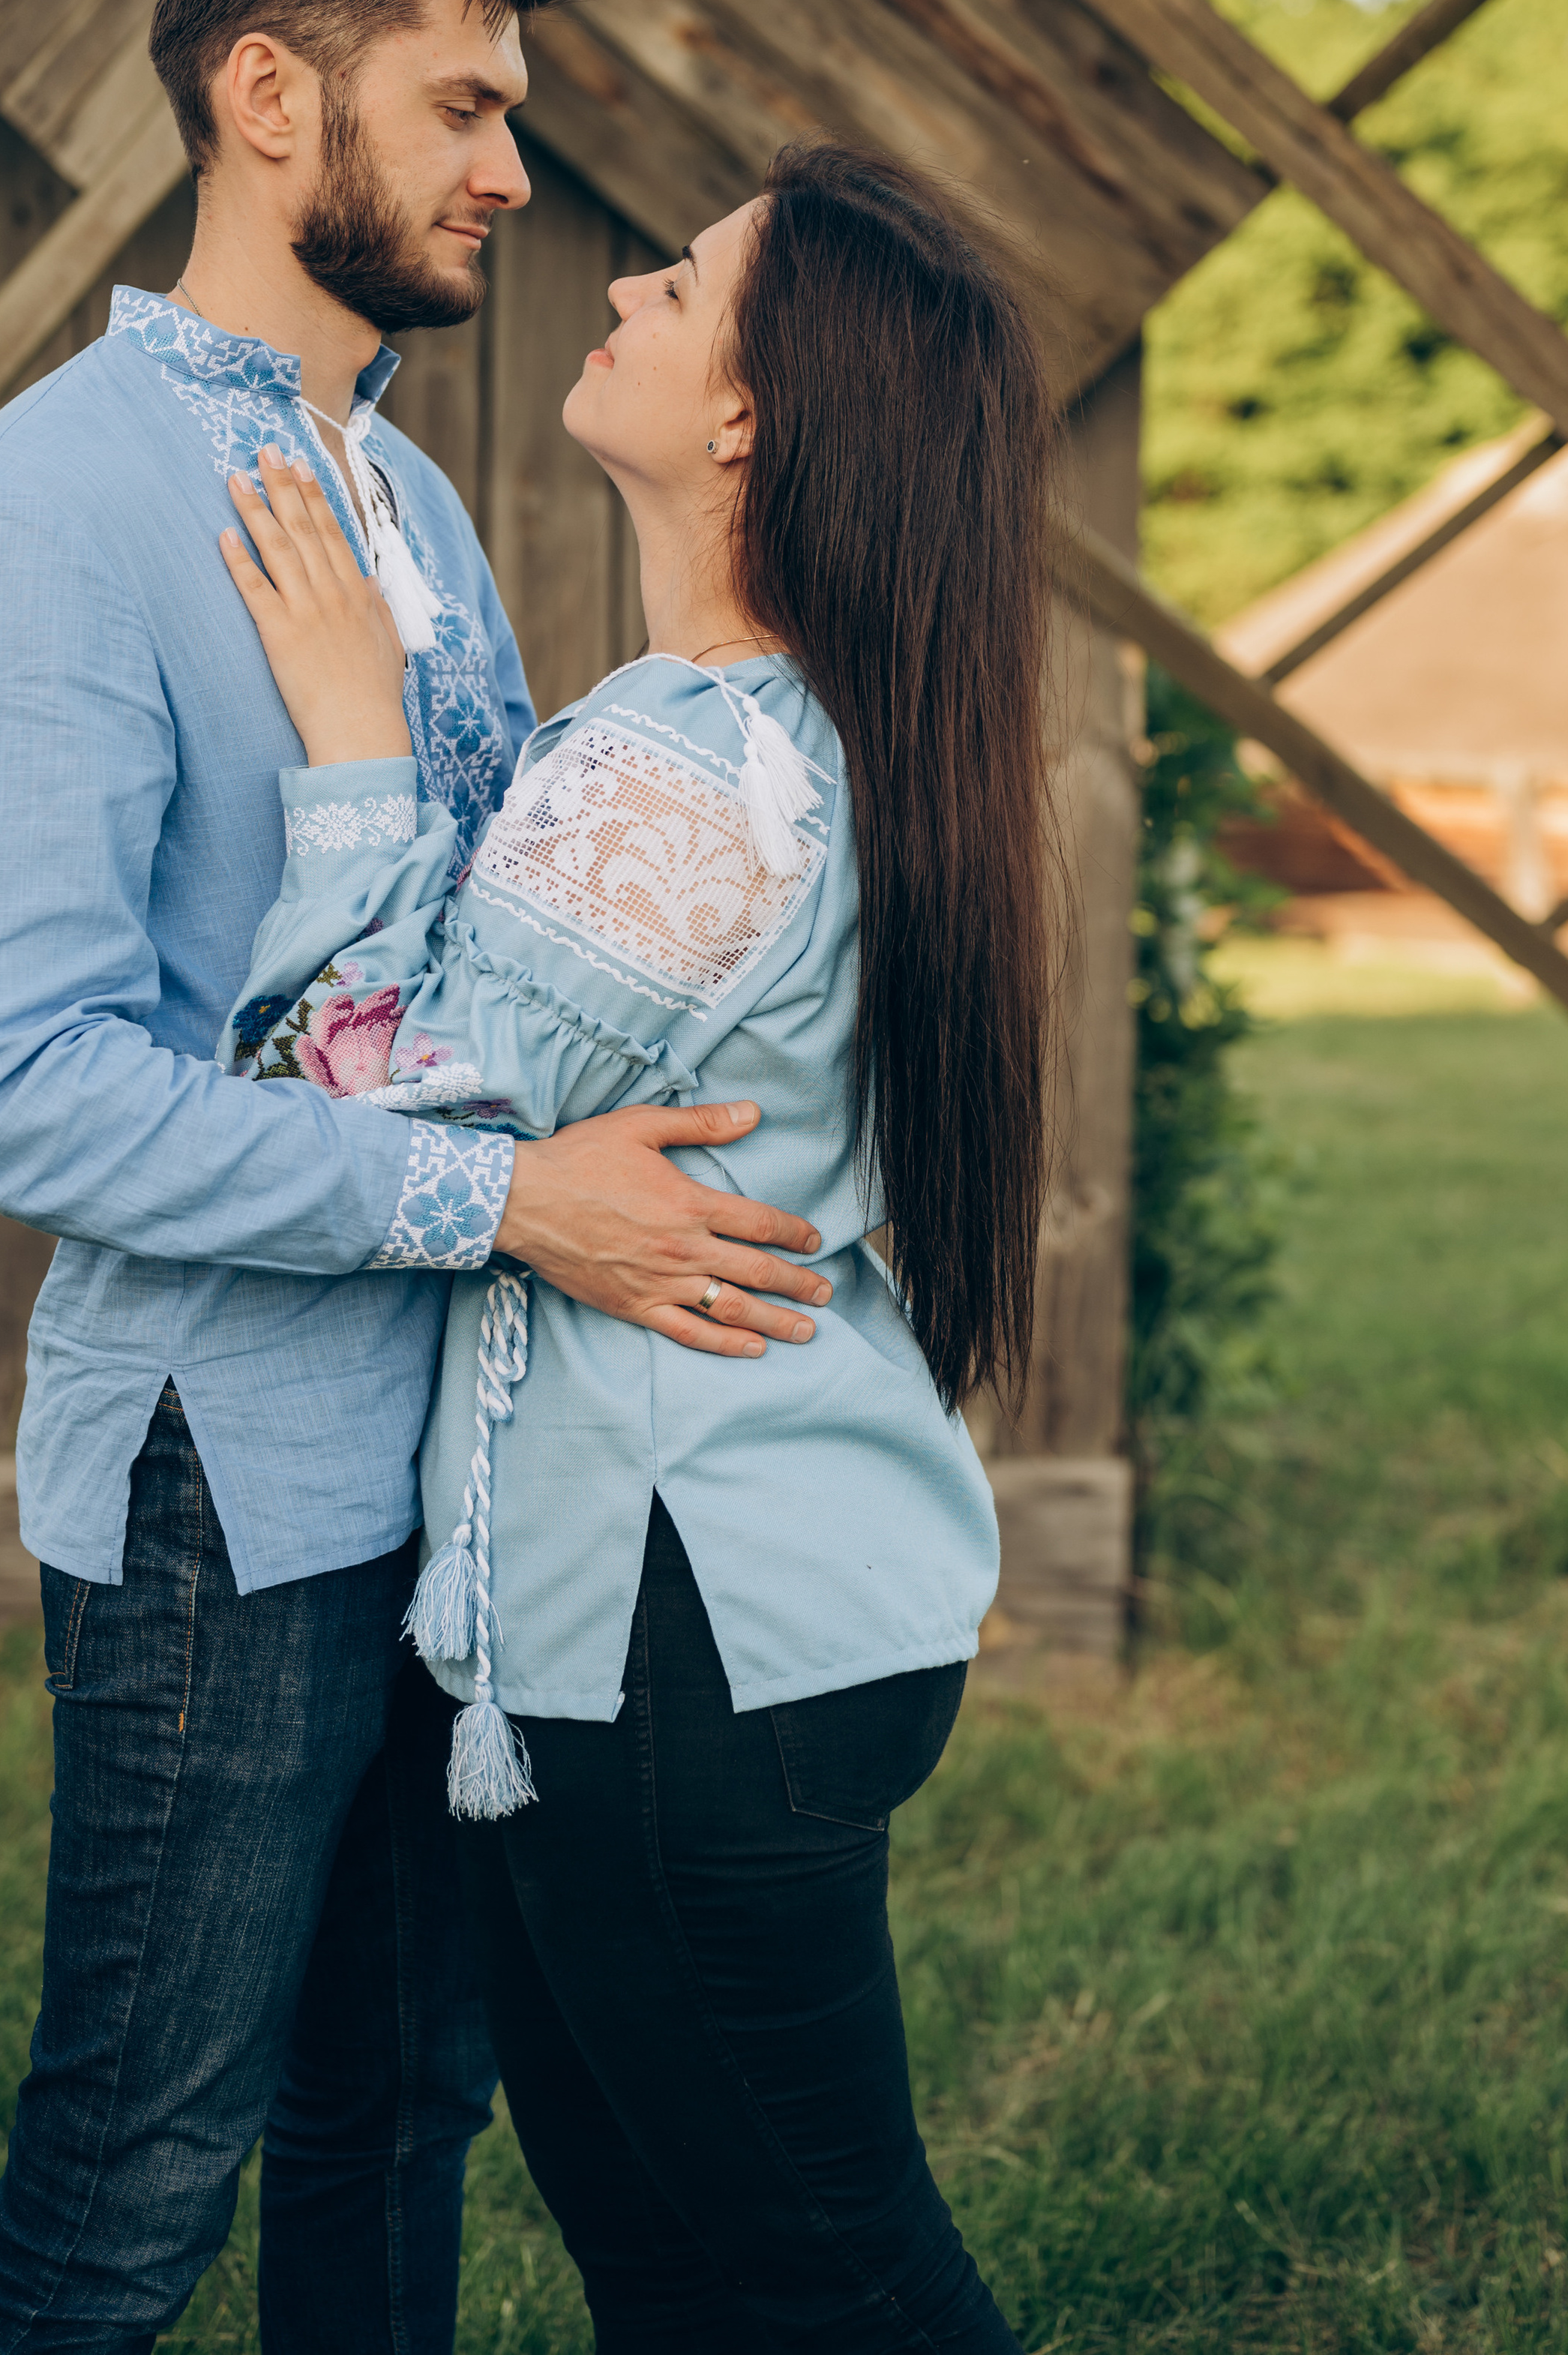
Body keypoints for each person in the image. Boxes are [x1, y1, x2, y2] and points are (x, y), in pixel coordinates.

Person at [0, 0, 830, 2355]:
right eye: (463, 105)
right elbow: (12, 1093)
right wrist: (499, 1201)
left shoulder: (412, 501)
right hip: (222, 1468)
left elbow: (457, 972)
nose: (513, 170)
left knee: (400, 2112)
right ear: (267, 92)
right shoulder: (61, 504)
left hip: (451, 1485)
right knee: (130, 2170)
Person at [211, 137, 1054, 2349]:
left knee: (819, 2269)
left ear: (755, 414)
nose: (622, 291)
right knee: (679, 2268)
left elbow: (370, 1095)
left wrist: (354, 749)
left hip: (687, 1639)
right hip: (734, 1616)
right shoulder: (806, 729)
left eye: (681, 285)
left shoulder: (687, 763)